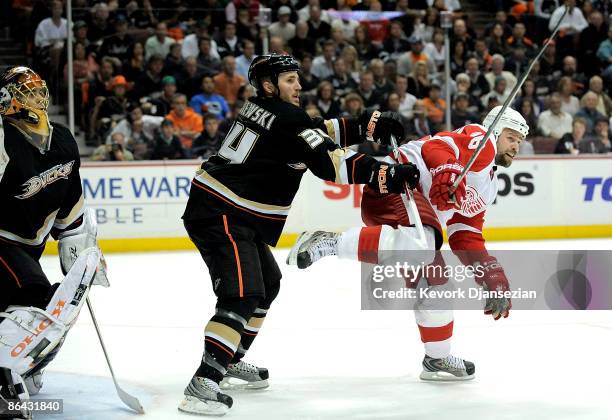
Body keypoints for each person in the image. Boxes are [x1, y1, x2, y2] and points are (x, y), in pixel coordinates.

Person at [179, 54, 419, 415]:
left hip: (223, 207)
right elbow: (330, 161)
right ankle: (203, 382)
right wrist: (386, 174)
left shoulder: (263, 108)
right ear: (269, 85)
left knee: (267, 284)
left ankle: (226, 361)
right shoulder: (288, 120)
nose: (299, 85)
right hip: (222, 212)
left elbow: (312, 129)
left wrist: (367, 126)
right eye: (290, 80)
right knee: (243, 294)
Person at [288, 105, 530, 381]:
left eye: (520, 142)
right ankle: (331, 242)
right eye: (511, 138)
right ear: (495, 130)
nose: (516, 147)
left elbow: (465, 233)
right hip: (395, 182)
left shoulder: (489, 183)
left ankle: (436, 357)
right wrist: (447, 171)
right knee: (423, 244)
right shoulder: (481, 141)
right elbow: (437, 146)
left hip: (412, 212)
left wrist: (489, 272)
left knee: (437, 283)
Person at [0, 67, 107, 417]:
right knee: (31, 294)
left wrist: (80, 251)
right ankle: (6, 383)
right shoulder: (3, 141)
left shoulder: (61, 138)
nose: (36, 93)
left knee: (43, 306)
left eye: (36, 87)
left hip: (29, 244)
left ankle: (21, 366)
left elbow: (71, 206)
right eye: (24, 89)